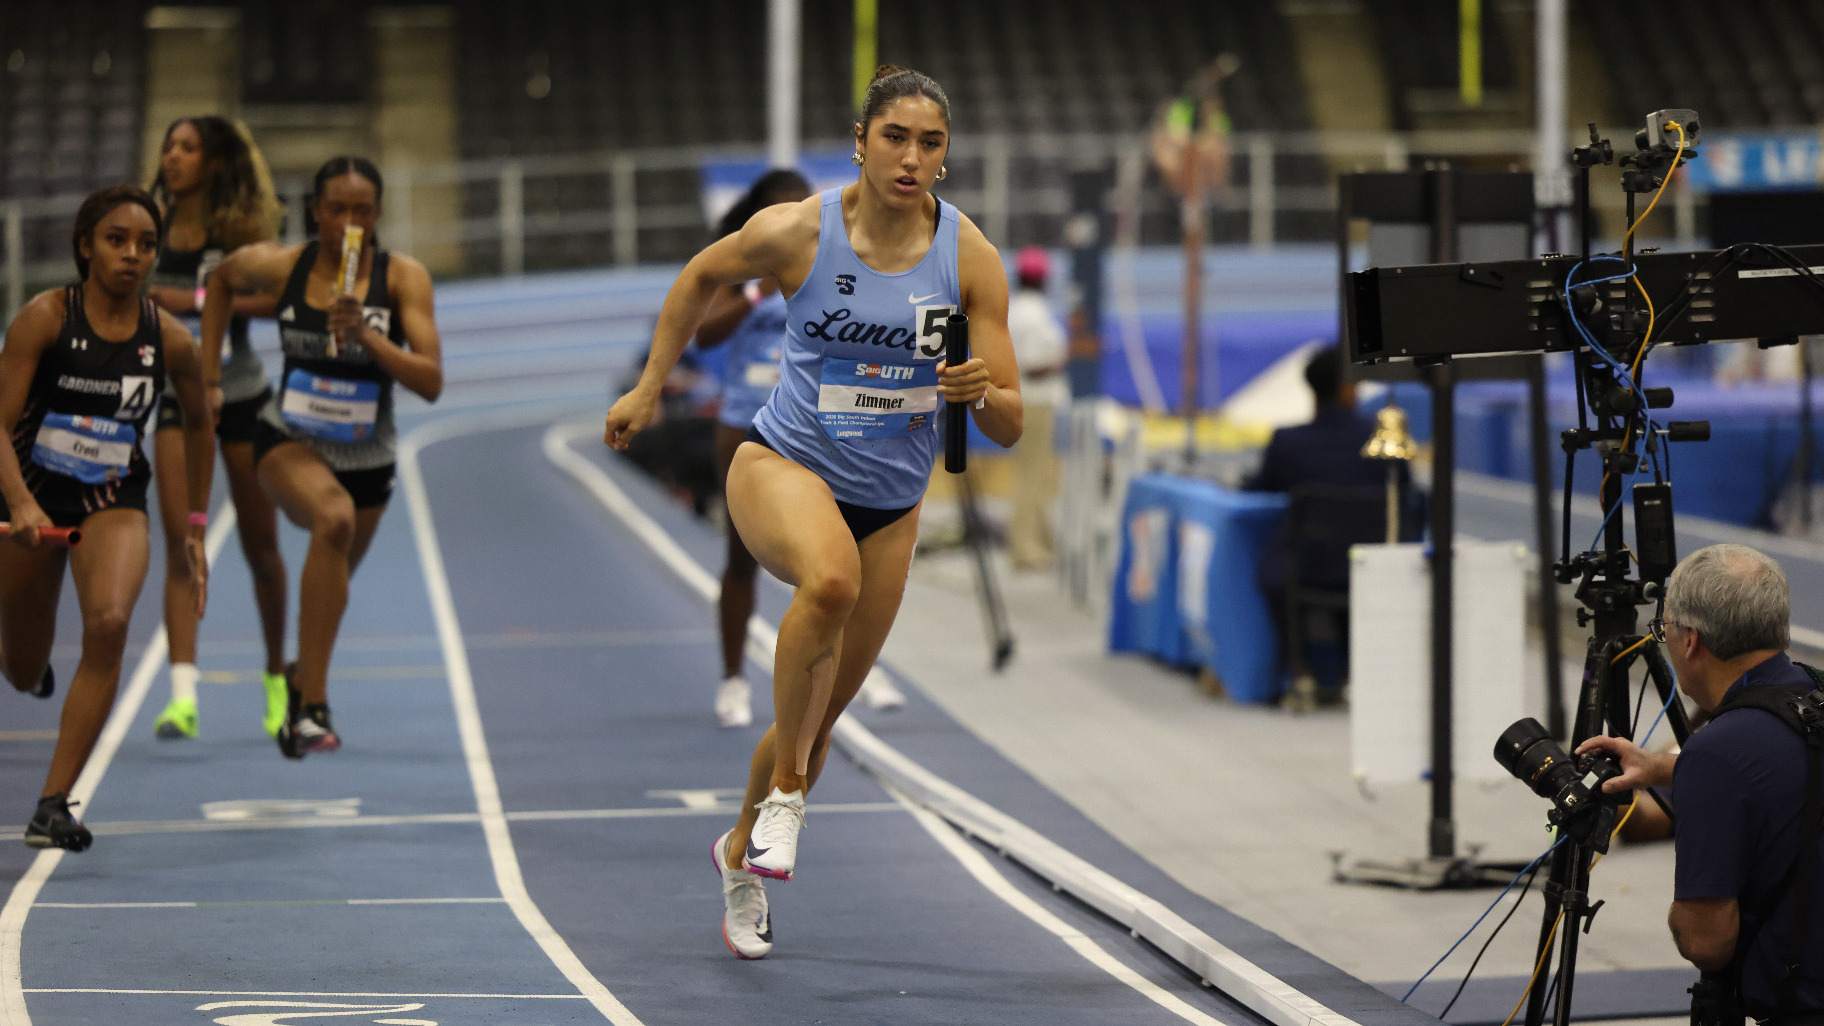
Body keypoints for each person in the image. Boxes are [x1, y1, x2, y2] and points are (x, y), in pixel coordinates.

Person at [603, 64, 1020, 960]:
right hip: (781, 463)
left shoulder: (968, 257)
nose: (912, 157)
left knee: (817, 719)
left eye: (931, 142)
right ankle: (788, 799)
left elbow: (1011, 421)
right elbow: (700, 276)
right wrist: (647, 388)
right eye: (896, 137)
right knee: (826, 581)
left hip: (893, 505)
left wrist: (981, 390)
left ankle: (739, 856)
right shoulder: (800, 231)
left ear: (945, 157)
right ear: (863, 141)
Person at [201, 155, 443, 759]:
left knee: (331, 589)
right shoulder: (285, 264)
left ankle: (295, 684)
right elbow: (222, 282)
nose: (349, 222)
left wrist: (368, 336)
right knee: (330, 519)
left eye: (363, 210)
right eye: (337, 209)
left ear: (378, 215)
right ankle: (313, 707)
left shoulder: (403, 278)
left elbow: (432, 381)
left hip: (370, 458)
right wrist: (207, 378)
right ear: (316, 211)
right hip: (290, 439)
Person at [0, 185, 214, 850]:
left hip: (111, 499)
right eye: (117, 240)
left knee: (112, 621)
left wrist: (197, 529)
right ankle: (31, 674)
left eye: (146, 245)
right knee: (20, 666)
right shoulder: (43, 319)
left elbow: (202, 423)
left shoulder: (169, 338)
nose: (132, 255)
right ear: (86, 245)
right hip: (30, 496)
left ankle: (53, 806)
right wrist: (20, 502)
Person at [1580, 544, 1824, 1022]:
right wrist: (1662, 768)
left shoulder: (1718, 751)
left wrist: (1677, 918)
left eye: (1663, 629)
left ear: (1690, 640)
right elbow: (1793, 774)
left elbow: (1706, 944)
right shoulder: (1813, 694)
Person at [144, 115, 290, 741]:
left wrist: (194, 303)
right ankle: (183, 696)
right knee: (181, 540)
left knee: (261, 547)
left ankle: (278, 681)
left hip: (242, 393)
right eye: (168, 146)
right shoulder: (147, 229)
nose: (172, 157)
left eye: (187, 147)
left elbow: (280, 298)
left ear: (211, 162)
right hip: (179, 396)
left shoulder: (239, 231)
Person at [693, 168, 813, 728]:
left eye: (801, 206)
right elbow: (705, 334)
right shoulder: (739, 263)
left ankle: (835, 672)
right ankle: (733, 680)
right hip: (744, 422)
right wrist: (753, 291)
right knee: (741, 557)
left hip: (814, 424)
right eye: (780, 208)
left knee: (827, 559)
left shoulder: (827, 264)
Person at [1243, 346, 1414, 697]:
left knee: (1282, 569)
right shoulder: (1385, 440)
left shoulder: (1287, 442)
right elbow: (1407, 491)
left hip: (1304, 567)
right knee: (1345, 565)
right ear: (1347, 388)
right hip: (1368, 564)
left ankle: (1299, 669)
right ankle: (1351, 673)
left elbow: (1261, 487)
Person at [1004, 245, 1067, 572]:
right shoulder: (1034, 315)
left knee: (1038, 473)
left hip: (1026, 399)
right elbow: (1030, 367)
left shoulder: (1016, 310)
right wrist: (1060, 362)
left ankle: (1040, 542)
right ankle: (1025, 548)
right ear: (1044, 280)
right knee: (1032, 475)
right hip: (1036, 401)